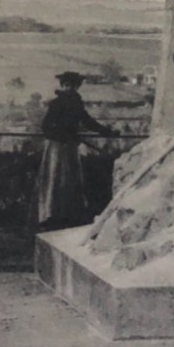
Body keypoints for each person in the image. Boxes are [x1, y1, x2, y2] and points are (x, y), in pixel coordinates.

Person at [37, 71, 115, 231]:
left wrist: (105, 131)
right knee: (55, 177)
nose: (70, 88)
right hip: (57, 147)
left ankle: (67, 213)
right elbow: (46, 127)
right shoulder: (56, 103)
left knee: (70, 178)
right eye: (67, 85)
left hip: (70, 147)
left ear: (77, 87)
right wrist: (63, 136)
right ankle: (51, 214)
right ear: (63, 86)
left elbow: (87, 121)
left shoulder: (76, 103)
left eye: (73, 85)